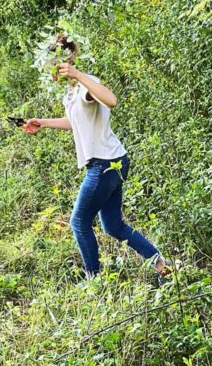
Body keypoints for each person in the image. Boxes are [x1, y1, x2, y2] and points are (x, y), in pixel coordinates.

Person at [25, 33, 172, 286]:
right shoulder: (70, 93)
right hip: (109, 161)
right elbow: (75, 122)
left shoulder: (86, 84)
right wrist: (43, 123)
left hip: (105, 163)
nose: (51, 71)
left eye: (52, 64)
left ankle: (94, 282)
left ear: (64, 61)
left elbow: (111, 100)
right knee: (113, 226)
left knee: (78, 222)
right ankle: (163, 268)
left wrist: (79, 75)